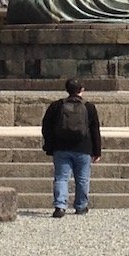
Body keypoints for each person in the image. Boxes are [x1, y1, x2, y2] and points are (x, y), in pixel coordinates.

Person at [40, 78, 102, 217]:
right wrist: (97, 151)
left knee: (61, 178)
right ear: (81, 90)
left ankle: (60, 206)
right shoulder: (89, 107)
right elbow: (95, 131)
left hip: (61, 147)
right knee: (82, 179)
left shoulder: (57, 106)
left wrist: (49, 146)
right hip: (83, 147)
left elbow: (46, 127)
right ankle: (81, 206)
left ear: (67, 89)